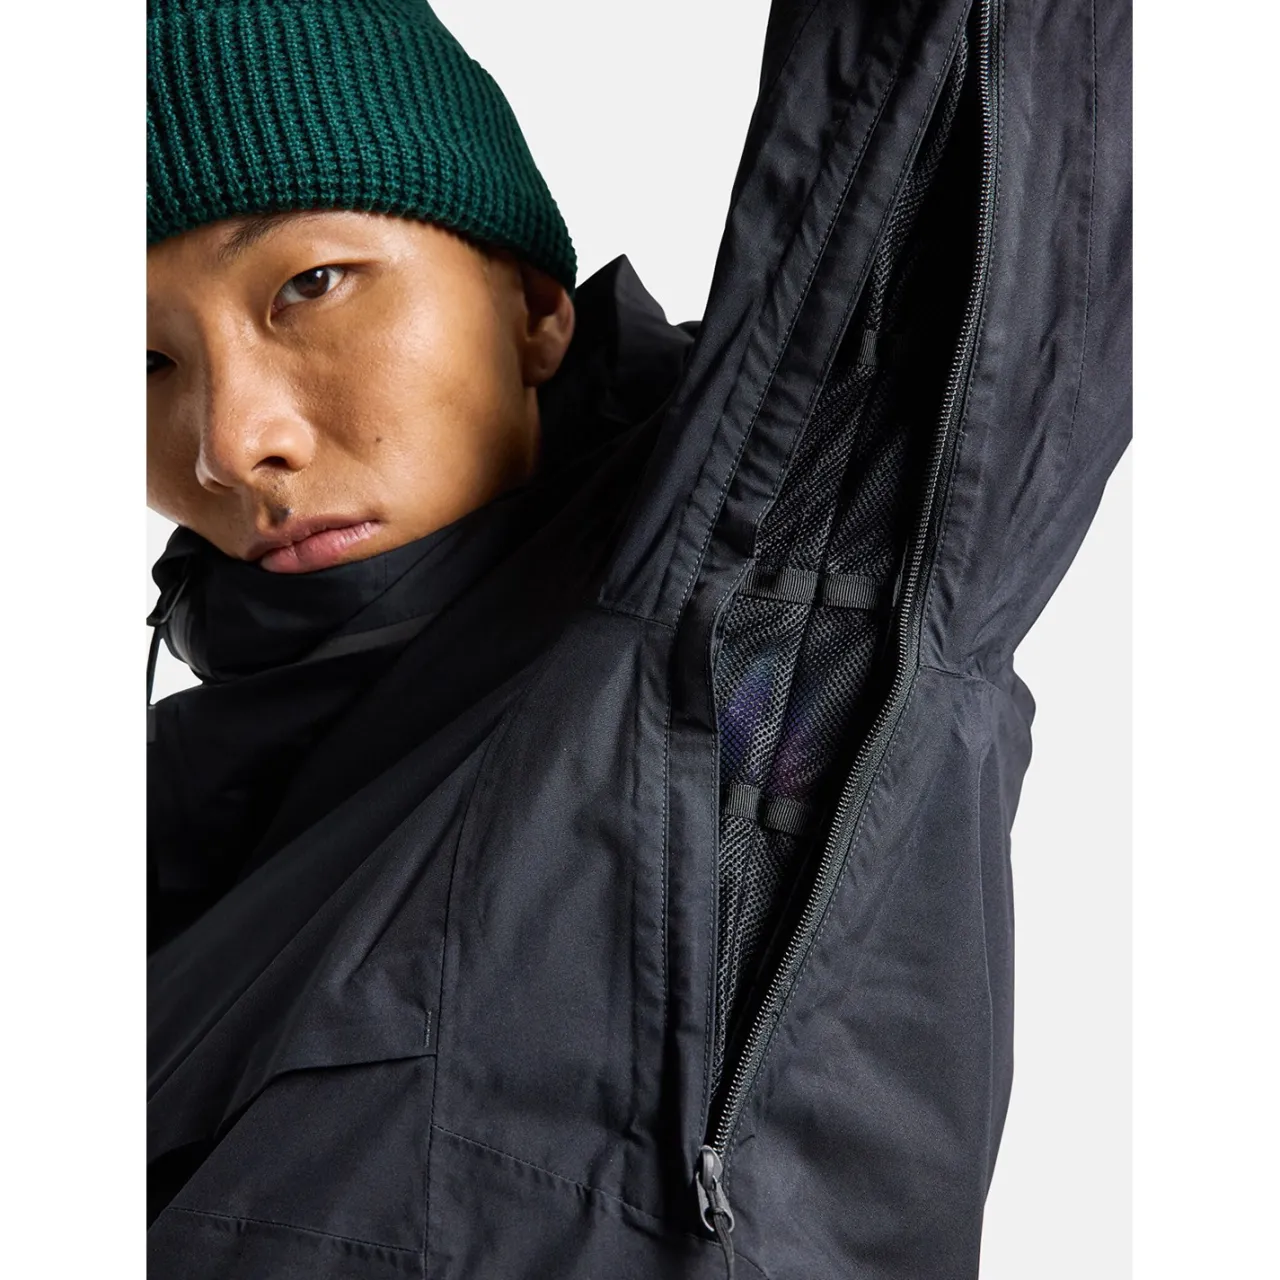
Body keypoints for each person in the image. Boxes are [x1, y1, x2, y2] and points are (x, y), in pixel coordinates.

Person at [147, 0, 1131, 1276]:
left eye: (309, 284)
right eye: (139, 361)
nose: (230, 443)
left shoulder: (751, 626)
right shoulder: (156, 822)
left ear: (533, 307)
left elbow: (961, 103)